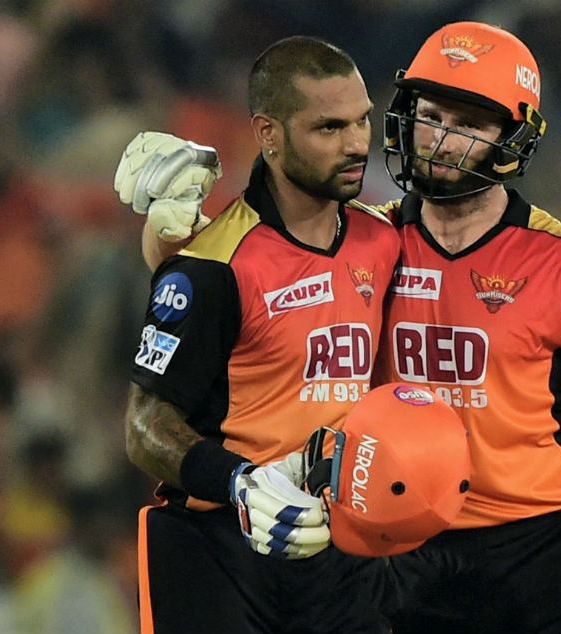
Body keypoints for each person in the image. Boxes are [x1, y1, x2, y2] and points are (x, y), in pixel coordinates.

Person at [119, 22, 561, 634]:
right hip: (408, 558)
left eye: (469, 124)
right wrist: (165, 221)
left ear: (514, 138)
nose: (440, 138)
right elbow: (221, 280)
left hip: (555, 548)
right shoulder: (370, 237)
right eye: (430, 115)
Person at [115, 35, 400, 633]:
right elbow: (144, 428)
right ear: (268, 134)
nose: (356, 146)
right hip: (217, 552)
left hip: (343, 548)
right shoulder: (212, 266)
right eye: (329, 128)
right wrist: (242, 484)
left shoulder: (387, 240)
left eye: (362, 121)